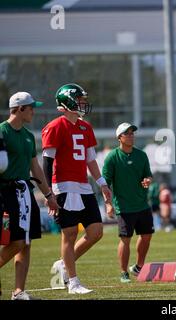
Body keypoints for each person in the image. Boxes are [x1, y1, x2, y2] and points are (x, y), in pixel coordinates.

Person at [42, 83, 112, 294]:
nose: (83, 103)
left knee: (96, 231)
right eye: (79, 99)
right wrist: (48, 192)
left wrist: (102, 184)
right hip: (63, 186)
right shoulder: (55, 126)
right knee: (69, 234)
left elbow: (91, 161)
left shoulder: (85, 127)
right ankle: (73, 282)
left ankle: (64, 263)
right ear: (68, 101)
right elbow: (47, 162)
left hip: (83, 186)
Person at [0, 92, 59, 300]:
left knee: (25, 242)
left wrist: (49, 195)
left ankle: (18, 292)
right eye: (31, 107)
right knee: (15, 241)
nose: (34, 111)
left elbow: (36, 169)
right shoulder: (2, 132)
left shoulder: (27, 136)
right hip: (5, 192)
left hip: (25, 193)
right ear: (20, 109)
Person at [102, 122, 153, 283]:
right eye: (127, 133)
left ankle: (138, 266)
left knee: (146, 236)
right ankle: (123, 272)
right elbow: (105, 183)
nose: (131, 136)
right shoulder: (112, 157)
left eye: (132, 133)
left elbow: (148, 175)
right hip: (123, 206)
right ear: (119, 137)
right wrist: (108, 203)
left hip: (142, 204)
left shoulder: (141, 155)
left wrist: (147, 180)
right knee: (125, 239)